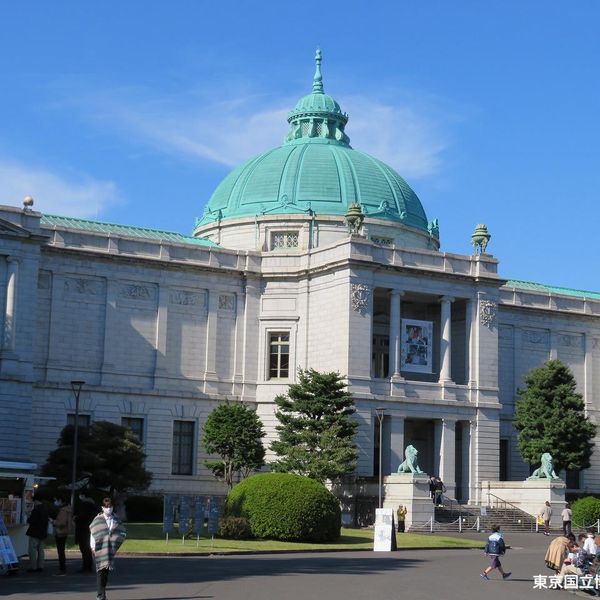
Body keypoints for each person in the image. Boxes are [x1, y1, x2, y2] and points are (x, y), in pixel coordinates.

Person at [90, 497, 127, 600]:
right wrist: (93, 548)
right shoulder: (97, 520)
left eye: (110, 506)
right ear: (102, 507)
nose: (108, 509)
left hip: (109, 550)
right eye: (106, 507)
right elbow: (93, 533)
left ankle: (103, 591)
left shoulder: (116, 519)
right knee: (100, 572)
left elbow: (121, 532)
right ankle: (100, 595)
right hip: (98, 549)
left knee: (105, 574)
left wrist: (116, 543)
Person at [74, 492, 98, 573]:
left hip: (83, 529)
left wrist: (75, 518)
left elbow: (81, 516)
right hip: (91, 528)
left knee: (84, 549)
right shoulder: (93, 505)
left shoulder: (85, 505)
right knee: (88, 548)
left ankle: (86, 566)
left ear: (83, 496)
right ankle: (89, 565)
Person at [26, 496, 49, 573]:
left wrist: (28, 516)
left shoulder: (36, 509)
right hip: (43, 532)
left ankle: (33, 567)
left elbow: (32, 520)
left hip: (34, 532)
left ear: (36, 501)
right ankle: (40, 566)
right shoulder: (45, 509)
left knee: (32, 550)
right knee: (41, 550)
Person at [53, 497, 73, 574]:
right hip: (65, 531)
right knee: (62, 550)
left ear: (61, 501)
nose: (56, 502)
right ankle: (62, 567)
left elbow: (61, 523)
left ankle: (62, 568)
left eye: (57, 500)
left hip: (60, 531)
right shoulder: (68, 509)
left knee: (60, 551)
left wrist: (54, 522)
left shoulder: (63, 510)